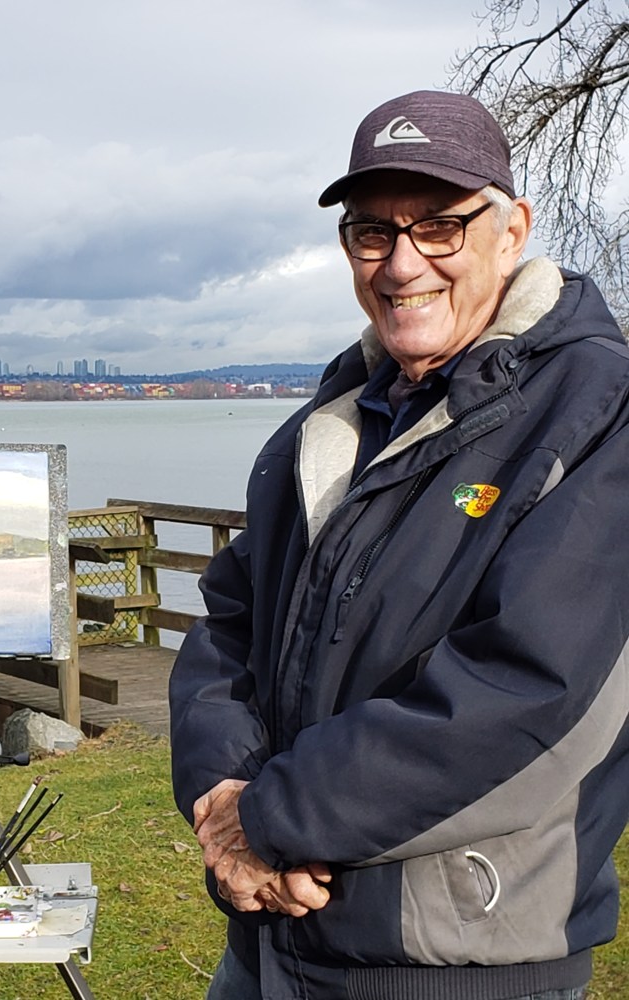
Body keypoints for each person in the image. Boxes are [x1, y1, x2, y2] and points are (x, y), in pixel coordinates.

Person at [169, 89, 629, 1000]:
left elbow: (528, 688)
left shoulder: (596, 410)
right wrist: (223, 795)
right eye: (372, 232)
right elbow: (230, 622)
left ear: (513, 229)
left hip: (458, 957)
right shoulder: (338, 416)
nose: (401, 263)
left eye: (440, 228)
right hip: (270, 941)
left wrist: (271, 821)